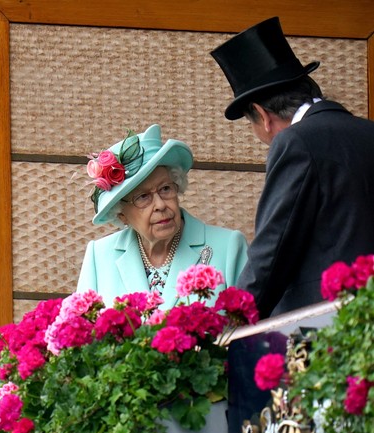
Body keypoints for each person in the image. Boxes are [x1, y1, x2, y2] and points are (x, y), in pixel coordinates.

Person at [211, 17, 374, 318]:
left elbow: (273, 249)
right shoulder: (369, 131)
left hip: (329, 324)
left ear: (262, 115)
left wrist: (232, 321)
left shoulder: (294, 142)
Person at [76, 124, 248, 306]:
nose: (160, 205)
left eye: (165, 189)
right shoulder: (99, 256)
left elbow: (253, 328)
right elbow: (81, 330)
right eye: (143, 197)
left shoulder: (229, 248)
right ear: (121, 214)